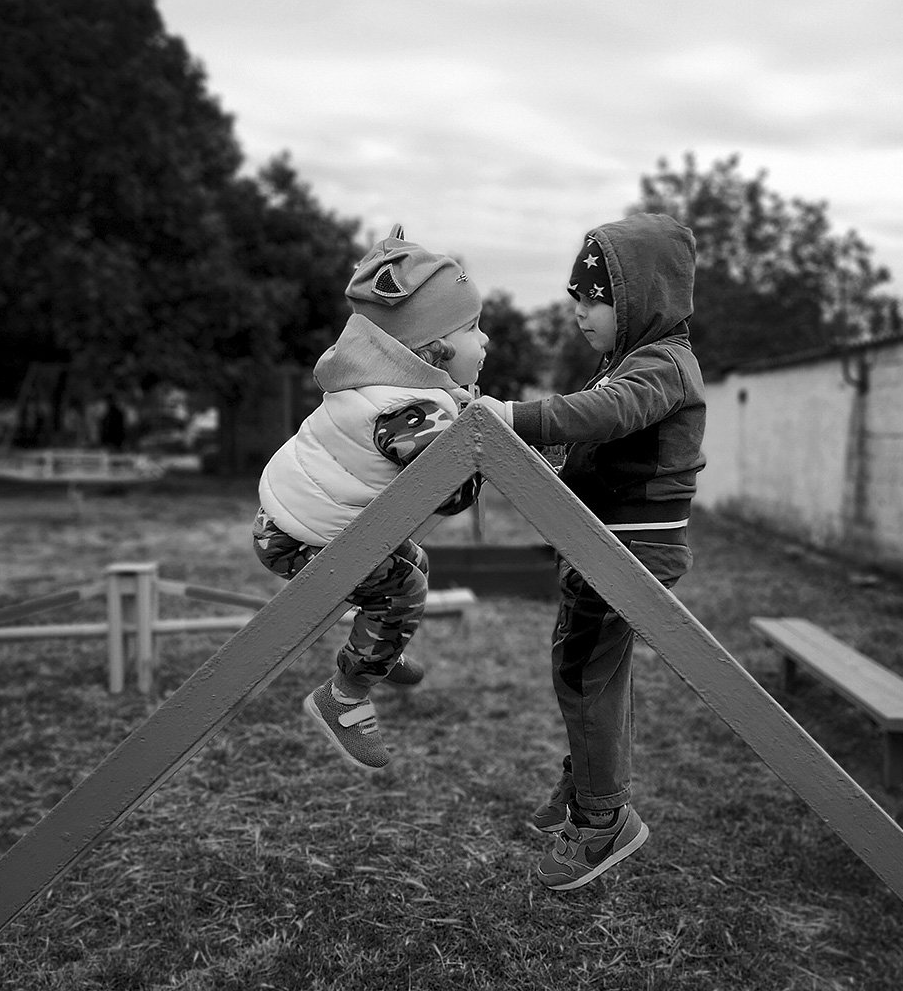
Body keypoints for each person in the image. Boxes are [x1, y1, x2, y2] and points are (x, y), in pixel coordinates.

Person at [479, 213, 705, 890]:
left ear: (641, 299)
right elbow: (590, 444)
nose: (580, 313)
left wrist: (516, 416)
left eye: (595, 298)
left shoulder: (662, 365)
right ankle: (584, 785)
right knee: (589, 674)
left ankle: (604, 818)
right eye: (575, 297)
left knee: (580, 675)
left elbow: (606, 417)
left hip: (629, 552)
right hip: (602, 546)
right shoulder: (628, 366)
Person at [253, 225, 488, 771]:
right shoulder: (408, 408)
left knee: (412, 560)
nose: (486, 342)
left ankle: (380, 648)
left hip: (283, 522)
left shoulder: (377, 387)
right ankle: (344, 697)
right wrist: (483, 456)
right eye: (475, 328)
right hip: (301, 538)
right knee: (401, 586)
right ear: (436, 349)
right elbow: (450, 492)